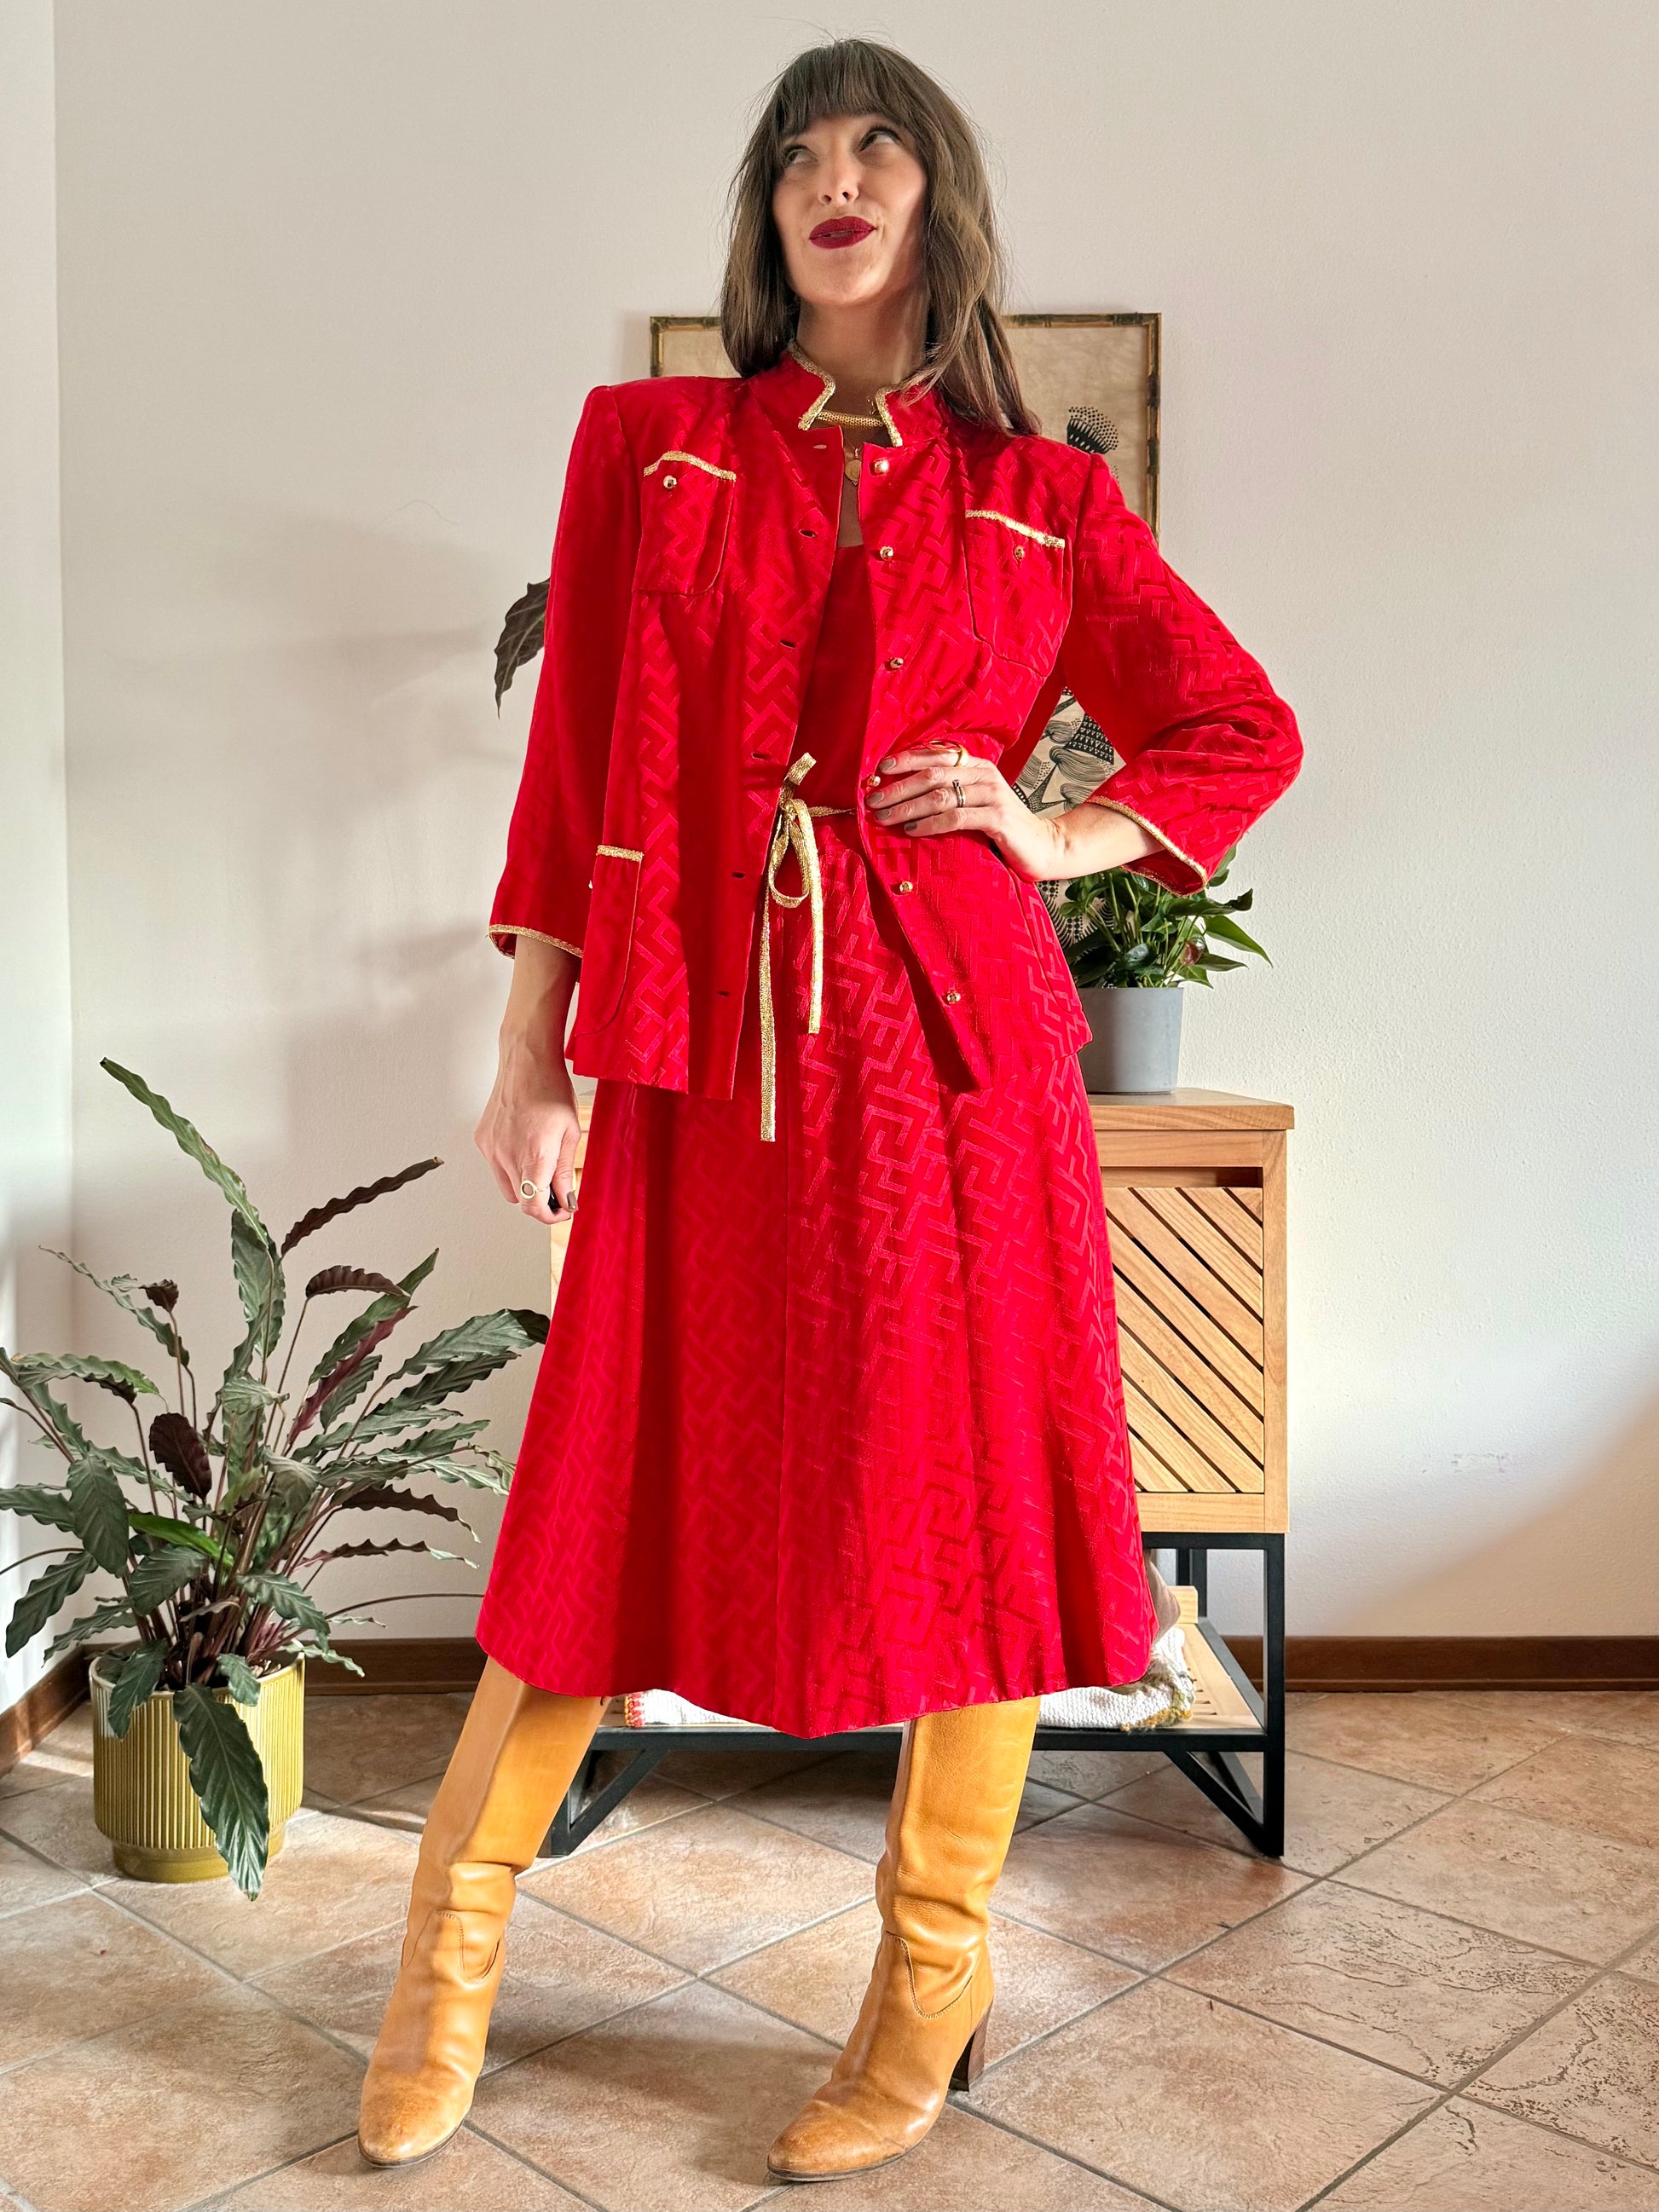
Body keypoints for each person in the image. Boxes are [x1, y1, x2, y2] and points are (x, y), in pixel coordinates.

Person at [356, 36, 1303, 2184]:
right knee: (609, 1484)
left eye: (874, 145)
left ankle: (924, 1983)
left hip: (956, 1059)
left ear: (934, 195)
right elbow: (578, 763)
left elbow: (1237, 726)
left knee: (970, 1504)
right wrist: (530, 1040)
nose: (832, 178)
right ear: (763, 210)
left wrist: (1055, 836)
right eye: (797, 153)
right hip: (706, 1037)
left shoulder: (1044, 494)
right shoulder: (656, 448)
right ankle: (441, 1973)